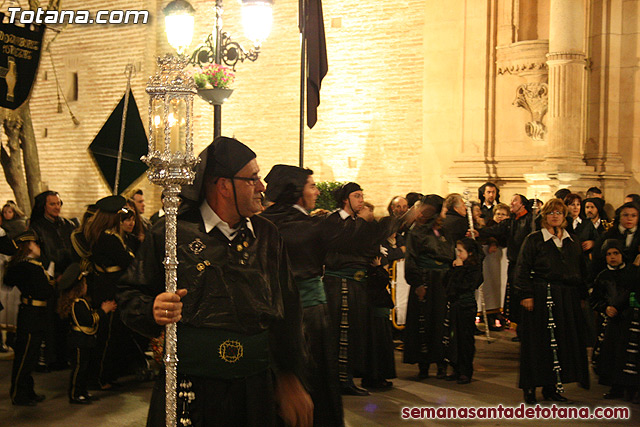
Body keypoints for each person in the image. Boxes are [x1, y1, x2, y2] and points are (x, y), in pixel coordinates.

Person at [117, 137, 312, 427]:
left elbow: (288, 309)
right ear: (223, 185)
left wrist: (289, 376)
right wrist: (151, 309)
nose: (262, 187)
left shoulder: (267, 235)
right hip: (192, 389)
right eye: (253, 178)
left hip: (255, 388)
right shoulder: (171, 233)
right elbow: (129, 294)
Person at [262, 164, 344, 426]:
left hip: (288, 314)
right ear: (296, 191)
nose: (317, 191)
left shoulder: (265, 223)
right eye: (311, 185)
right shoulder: (301, 226)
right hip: (305, 315)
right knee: (313, 382)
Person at [515, 198, 589, 404]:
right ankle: (530, 387)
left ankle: (551, 387)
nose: (555, 216)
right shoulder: (534, 239)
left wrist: (581, 296)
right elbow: (521, 269)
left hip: (566, 298)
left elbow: (581, 271)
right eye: (551, 213)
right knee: (538, 344)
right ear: (544, 216)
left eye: (559, 212)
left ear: (564, 217)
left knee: (560, 344)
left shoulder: (572, 241)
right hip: (541, 297)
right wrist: (526, 294)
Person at [322, 182, 387, 396]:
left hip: (357, 283)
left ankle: (347, 377)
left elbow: (371, 246)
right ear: (345, 199)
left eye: (362, 195)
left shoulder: (358, 223)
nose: (361, 200)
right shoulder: (334, 221)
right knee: (342, 332)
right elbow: (342, 245)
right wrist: (362, 224)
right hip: (340, 284)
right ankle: (340, 380)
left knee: (353, 332)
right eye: (356, 196)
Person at [84, 195, 135, 390]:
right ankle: (99, 376)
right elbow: (127, 261)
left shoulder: (98, 233)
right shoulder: (110, 238)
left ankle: (101, 374)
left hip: (102, 284)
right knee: (106, 335)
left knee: (106, 334)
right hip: (110, 287)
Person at [404, 195, 453, 380]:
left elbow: (450, 251)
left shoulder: (444, 229)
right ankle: (423, 364)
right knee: (423, 322)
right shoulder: (416, 231)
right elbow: (411, 258)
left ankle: (442, 363)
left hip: (442, 281)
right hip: (425, 279)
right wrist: (417, 283)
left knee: (441, 322)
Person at [29, 190, 78, 371]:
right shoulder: (37, 227)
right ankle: (53, 357)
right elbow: (35, 253)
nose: (57, 207)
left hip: (70, 277)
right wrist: (53, 272)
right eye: (52, 204)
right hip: (51, 280)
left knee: (68, 320)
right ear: (44, 206)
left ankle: (66, 356)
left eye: (58, 203)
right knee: (52, 321)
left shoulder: (68, 224)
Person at [477, 194, 535, 341]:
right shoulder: (511, 222)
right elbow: (495, 230)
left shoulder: (530, 220)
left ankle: (527, 331)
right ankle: (520, 330)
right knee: (514, 298)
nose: (511, 203)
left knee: (524, 297)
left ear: (522, 204)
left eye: (515, 200)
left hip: (526, 265)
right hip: (514, 263)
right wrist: (479, 232)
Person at [57, 263, 117, 404]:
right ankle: (75, 393)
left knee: (84, 367)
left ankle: (82, 391)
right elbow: (89, 320)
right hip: (79, 341)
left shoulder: (82, 302)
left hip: (84, 340)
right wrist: (104, 311)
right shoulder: (77, 303)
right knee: (79, 368)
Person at [5, 230, 53, 406]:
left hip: (35, 313)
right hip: (31, 314)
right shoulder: (27, 267)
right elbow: (45, 290)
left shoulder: (30, 266)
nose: (39, 247)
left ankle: (27, 389)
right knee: (25, 355)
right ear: (29, 246)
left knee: (31, 355)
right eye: (36, 244)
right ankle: (18, 392)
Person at [590, 239, 640, 401]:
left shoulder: (632, 273)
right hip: (613, 322)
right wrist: (605, 308)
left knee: (630, 357)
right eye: (609, 254)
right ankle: (616, 388)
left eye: (616, 253)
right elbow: (595, 300)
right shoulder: (603, 277)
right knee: (613, 356)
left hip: (630, 320)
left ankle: (632, 389)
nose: (612, 257)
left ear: (622, 254)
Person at [443, 237, 483, 384]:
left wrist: (459, 270)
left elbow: (466, 286)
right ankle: (455, 367)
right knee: (454, 338)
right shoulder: (456, 266)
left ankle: (466, 371)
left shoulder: (474, 268)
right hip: (454, 306)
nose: (458, 254)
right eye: (457, 251)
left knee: (465, 339)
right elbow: (447, 284)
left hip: (466, 307)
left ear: (470, 253)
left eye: (461, 251)